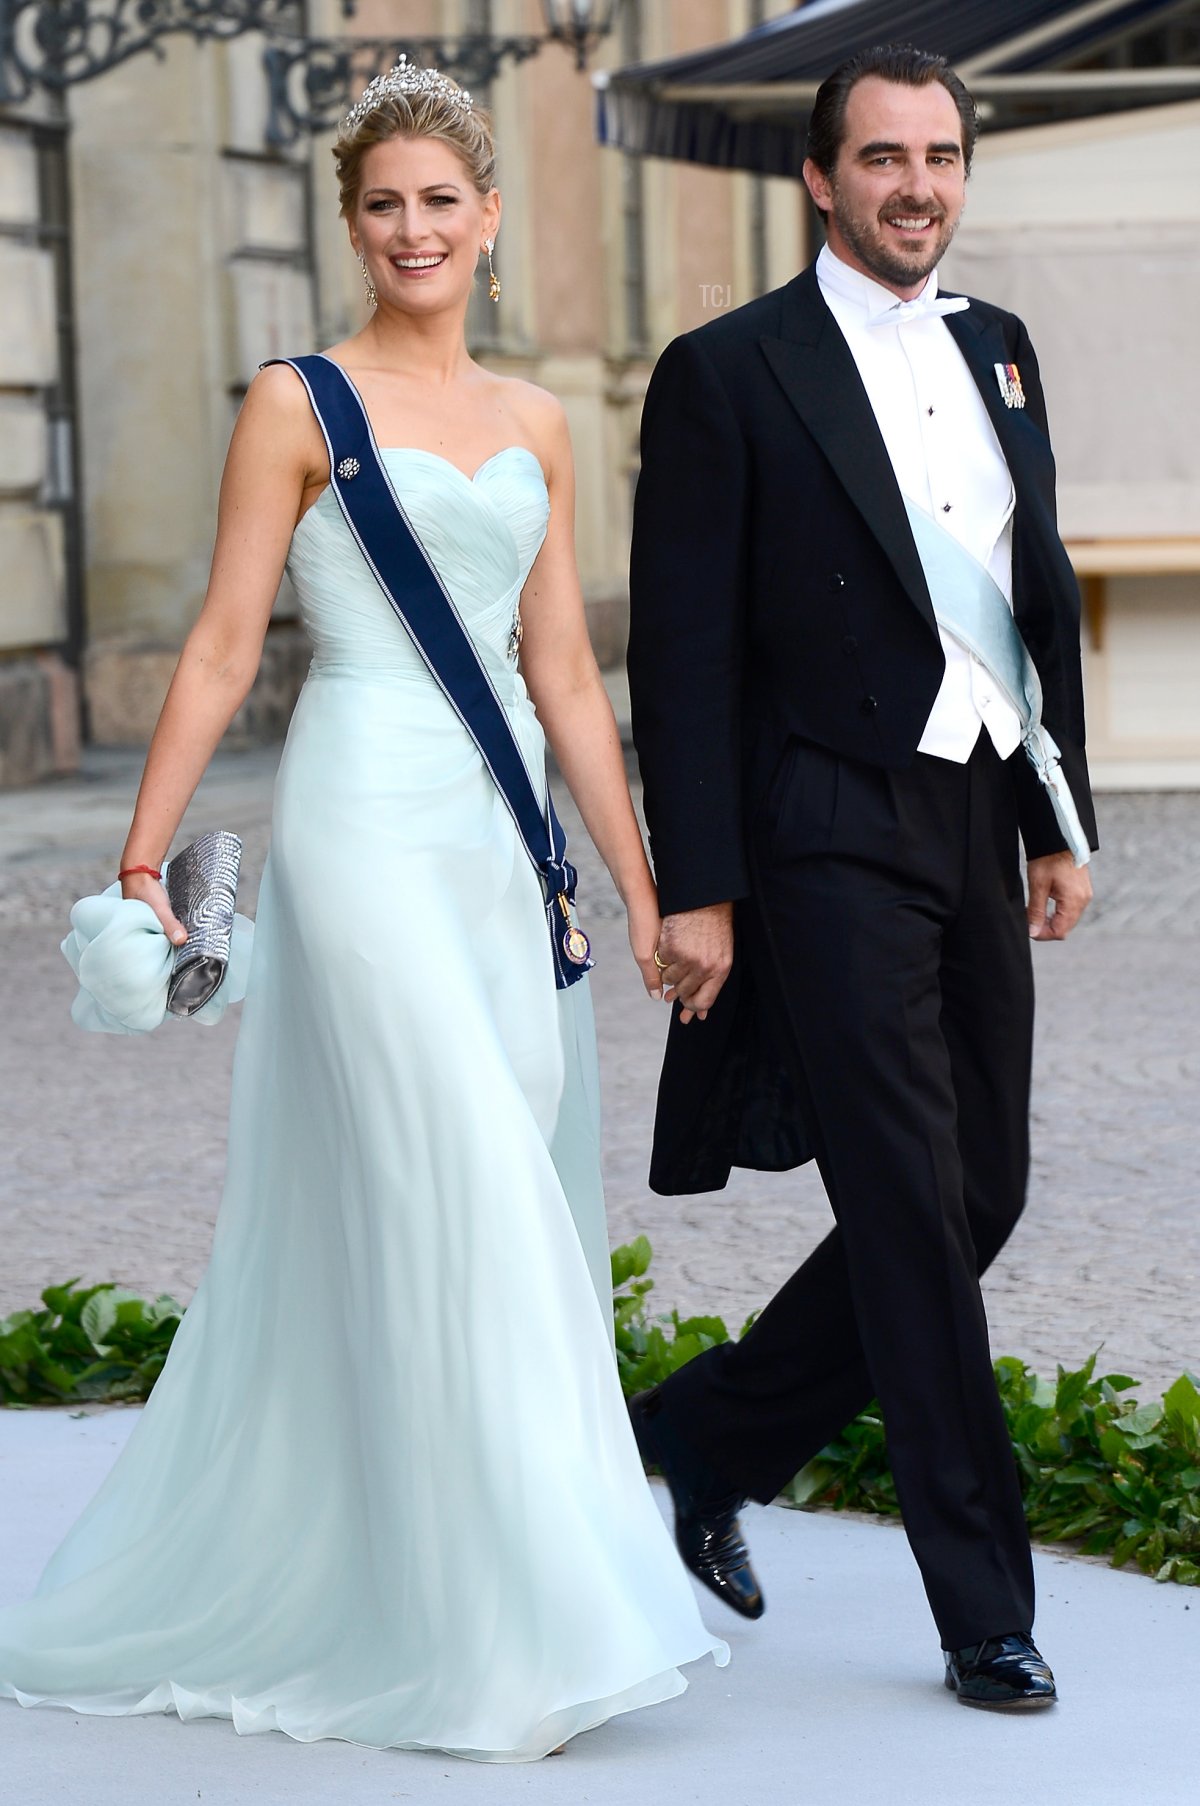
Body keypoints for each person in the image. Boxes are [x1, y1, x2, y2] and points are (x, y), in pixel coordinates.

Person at [0, 61, 726, 1761]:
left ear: (486, 222)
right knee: (463, 1173)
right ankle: (497, 1627)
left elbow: (560, 675)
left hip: (494, 845)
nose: (413, 229)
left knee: (486, 1189)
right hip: (356, 825)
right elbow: (221, 644)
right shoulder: (294, 401)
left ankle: (455, 1580)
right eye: (382, 203)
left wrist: (637, 885)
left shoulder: (544, 421)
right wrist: (140, 855)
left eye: (440, 203)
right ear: (354, 223)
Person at [626, 43, 1096, 1712]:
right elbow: (679, 654)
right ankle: (984, 1603)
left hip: (973, 810)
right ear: (820, 179)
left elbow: (1034, 587)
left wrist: (1059, 816)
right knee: (906, 1204)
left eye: (944, 157)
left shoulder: (1002, 351)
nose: (918, 187)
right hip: (822, 826)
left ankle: (700, 1434)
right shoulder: (729, 369)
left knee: (985, 1192)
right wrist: (699, 883)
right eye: (884, 159)